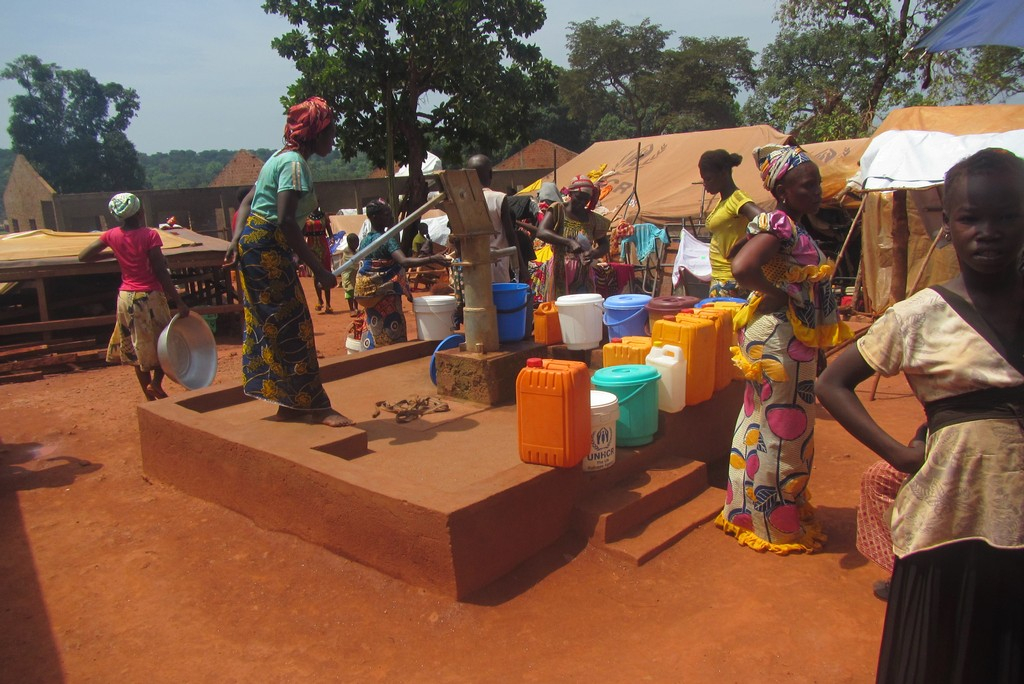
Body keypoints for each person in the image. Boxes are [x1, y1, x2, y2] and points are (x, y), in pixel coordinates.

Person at [816, 148, 1024, 683]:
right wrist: (900, 454)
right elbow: (833, 384)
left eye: (1007, 216)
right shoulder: (919, 316)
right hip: (947, 521)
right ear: (948, 225)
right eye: (970, 218)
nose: (988, 231)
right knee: (940, 654)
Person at [715, 144, 852, 554]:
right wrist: (783, 295)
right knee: (784, 430)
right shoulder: (779, 224)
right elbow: (742, 269)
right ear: (783, 190)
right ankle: (776, 522)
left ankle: (745, 510)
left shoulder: (781, 223)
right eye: (806, 186)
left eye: (816, 185)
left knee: (758, 422)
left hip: (776, 335)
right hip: (780, 336)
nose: (816, 192)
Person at [223, 96, 352, 428]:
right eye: (330, 132)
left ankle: (288, 405)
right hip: (267, 248)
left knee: (272, 326)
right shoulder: (294, 164)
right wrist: (319, 269)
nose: (333, 139)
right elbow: (286, 220)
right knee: (294, 326)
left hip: (255, 246)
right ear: (315, 133)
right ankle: (317, 407)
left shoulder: (277, 158)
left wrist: (237, 237)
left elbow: (249, 202)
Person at [79, 192, 190, 401]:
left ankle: (149, 396)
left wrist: (114, 252)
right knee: (163, 343)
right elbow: (160, 271)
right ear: (140, 211)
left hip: (126, 297)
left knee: (136, 348)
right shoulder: (150, 236)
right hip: (149, 296)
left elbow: (83, 256)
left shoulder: (111, 235)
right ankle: (156, 383)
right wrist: (179, 300)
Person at [354, 200, 448, 347]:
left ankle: (373, 352)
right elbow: (403, 262)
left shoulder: (365, 241)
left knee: (374, 322)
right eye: (386, 214)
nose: (391, 217)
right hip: (386, 294)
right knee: (391, 326)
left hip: (371, 295)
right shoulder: (386, 240)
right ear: (374, 217)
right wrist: (433, 258)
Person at [698, 149, 763, 298]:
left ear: (723, 173)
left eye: (708, 179)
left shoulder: (737, 199)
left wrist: (741, 244)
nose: (704, 184)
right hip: (720, 278)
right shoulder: (723, 202)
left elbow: (766, 221)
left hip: (731, 281)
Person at [534, 176, 611, 301]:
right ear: (570, 193)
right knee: (561, 309)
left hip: (584, 274)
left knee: (583, 309)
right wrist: (569, 242)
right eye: (578, 198)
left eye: (585, 200)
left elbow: (605, 245)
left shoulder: (592, 219)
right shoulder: (558, 210)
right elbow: (541, 232)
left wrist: (594, 253)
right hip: (560, 270)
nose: (582, 203)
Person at [465, 154, 529, 283]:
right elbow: (511, 235)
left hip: (472, 263)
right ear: (490, 174)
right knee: (500, 300)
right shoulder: (499, 198)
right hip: (497, 262)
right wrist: (521, 267)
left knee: (478, 302)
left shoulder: (463, 201)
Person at [301, 207, 335, 313]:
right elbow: (302, 233)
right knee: (316, 274)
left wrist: (332, 239)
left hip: (323, 246)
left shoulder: (324, 216)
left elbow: (329, 231)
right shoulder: (306, 217)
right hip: (311, 247)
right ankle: (320, 300)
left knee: (326, 272)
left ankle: (328, 304)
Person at [339, 231, 360, 314]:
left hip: (354, 274)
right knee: (349, 291)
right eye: (355, 243)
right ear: (350, 243)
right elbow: (354, 260)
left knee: (356, 291)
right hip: (347, 275)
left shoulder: (356, 251)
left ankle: (356, 308)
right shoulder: (346, 251)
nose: (357, 245)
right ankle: (351, 309)